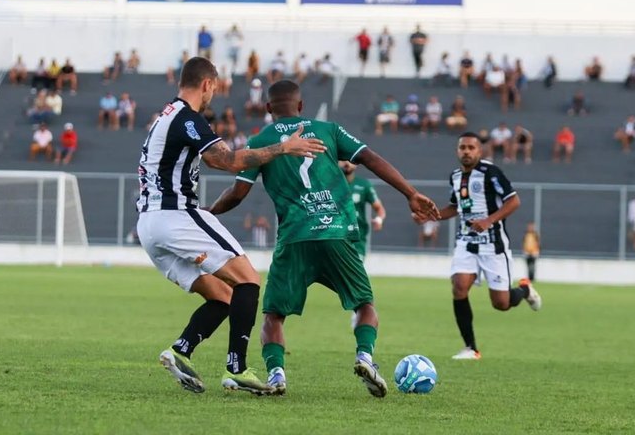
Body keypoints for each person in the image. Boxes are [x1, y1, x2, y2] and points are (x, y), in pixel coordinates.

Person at [208, 80, 440, 397]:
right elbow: (371, 158)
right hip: (337, 234)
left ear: (267, 109)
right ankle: (365, 357)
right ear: (301, 106)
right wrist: (411, 194)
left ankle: (276, 375)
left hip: (294, 238)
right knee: (364, 304)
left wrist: (208, 212)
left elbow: (237, 194)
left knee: (274, 314)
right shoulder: (329, 130)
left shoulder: (260, 142)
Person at [139, 58, 325, 396]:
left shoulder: (165, 116)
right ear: (208, 84)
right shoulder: (186, 117)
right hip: (174, 214)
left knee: (224, 296)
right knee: (248, 280)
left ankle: (181, 350)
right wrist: (284, 148)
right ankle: (236, 368)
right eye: (215, 87)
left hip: (150, 226)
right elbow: (224, 160)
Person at [415, 133, 541, 360]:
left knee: (501, 304)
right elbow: (456, 207)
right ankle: (471, 348)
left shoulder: (491, 173)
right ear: (457, 151)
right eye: (462, 147)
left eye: (471, 147)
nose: (466, 151)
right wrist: (431, 216)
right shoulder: (454, 176)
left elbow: (514, 201)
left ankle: (524, 289)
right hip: (467, 242)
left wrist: (489, 220)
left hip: (493, 245)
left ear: (479, 151)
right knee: (459, 287)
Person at [340, 161, 386, 259]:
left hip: (357, 237)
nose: (347, 163)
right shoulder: (330, 184)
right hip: (336, 235)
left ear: (356, 164)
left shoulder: (364, 185)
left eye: (350, 160)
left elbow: (379, 208)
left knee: (354, 272)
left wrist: (379, 219)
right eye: (343, 160)